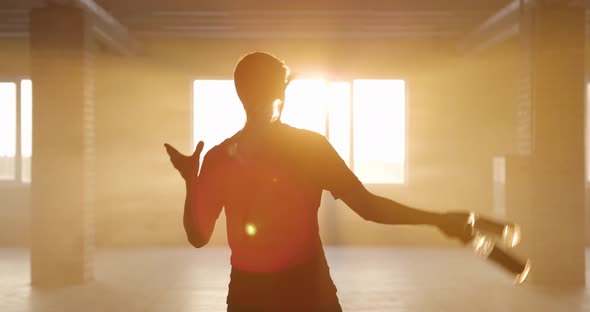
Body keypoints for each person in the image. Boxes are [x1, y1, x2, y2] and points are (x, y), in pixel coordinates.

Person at [164, 52, 472, 312]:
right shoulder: (309, 147)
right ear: (280, 93)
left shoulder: (220, 156)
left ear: (241, 94)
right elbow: (369, 208)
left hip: (249, 294)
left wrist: (191, 181)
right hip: (308, 290)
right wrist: (437, 220)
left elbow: (198, 237)